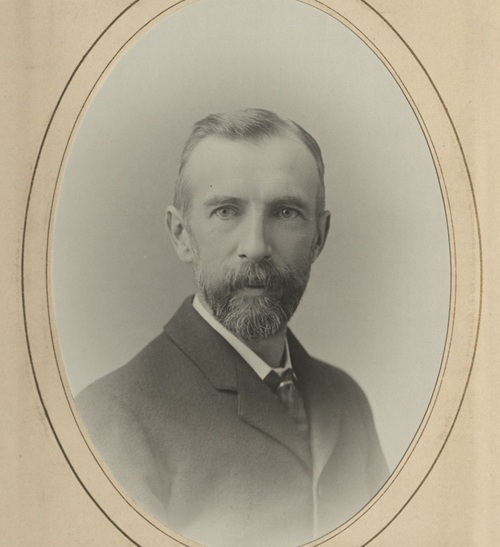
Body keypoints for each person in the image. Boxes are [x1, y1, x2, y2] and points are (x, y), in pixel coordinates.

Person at [77, 108, 389, 547]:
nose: (256, 247)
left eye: (286, 212)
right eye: (226, 211)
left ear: (319, 237)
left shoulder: (346, 399)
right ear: (181, 234)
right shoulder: (112, 419)